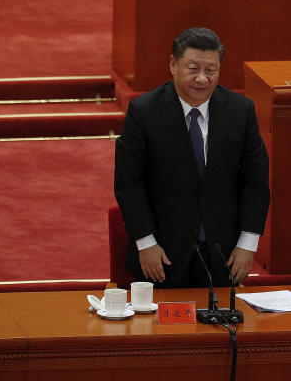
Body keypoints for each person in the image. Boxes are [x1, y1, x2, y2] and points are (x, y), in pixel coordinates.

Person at [114, 27, 270, 287]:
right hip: (161, 257)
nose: (202, 79)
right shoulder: (144, 112)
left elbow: (256, 182)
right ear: (174, 65)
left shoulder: (240, 111)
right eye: (193, 68)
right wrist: (146, 243)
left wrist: (247, 244)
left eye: (211, 71)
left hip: (224, 256)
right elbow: (129, 183)